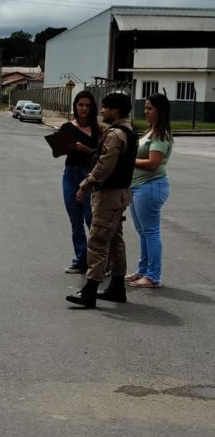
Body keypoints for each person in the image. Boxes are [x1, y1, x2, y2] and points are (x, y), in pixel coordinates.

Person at [66, 91, 137, 309]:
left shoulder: (115, 134)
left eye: (105, 107)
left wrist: (85, 183)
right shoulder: (129, 131)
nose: (102, 111)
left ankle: (89, 290)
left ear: (116, 110)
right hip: (120, 193)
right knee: (115, 240)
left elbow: (105, 165)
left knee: (97, 240)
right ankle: (117, 287)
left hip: (109, 195)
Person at [127, 93, 172, 289]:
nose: (145, 111)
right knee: (143, 232)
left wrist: (128, 160)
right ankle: (143, 270)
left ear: (160, 111)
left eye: (149, 108)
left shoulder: (160, 135)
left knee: (151, 232)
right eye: (145, 107)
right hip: (138, 187)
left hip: (150, 186)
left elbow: (153, 163)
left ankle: (153, 276)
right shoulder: (149, 131)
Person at [56, 91, 102, 273]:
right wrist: (60, 145)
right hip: (70, 175)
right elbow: (57, 152)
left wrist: (85, 149)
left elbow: (101, 155)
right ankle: (81, 260)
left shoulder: (98, 130)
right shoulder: (67, 127)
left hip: (89, 176)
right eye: (81, 105)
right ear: (75, 106)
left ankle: (98, 260)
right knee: (75, 221)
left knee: (91, 219)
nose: (84, 108)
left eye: (88, 105)